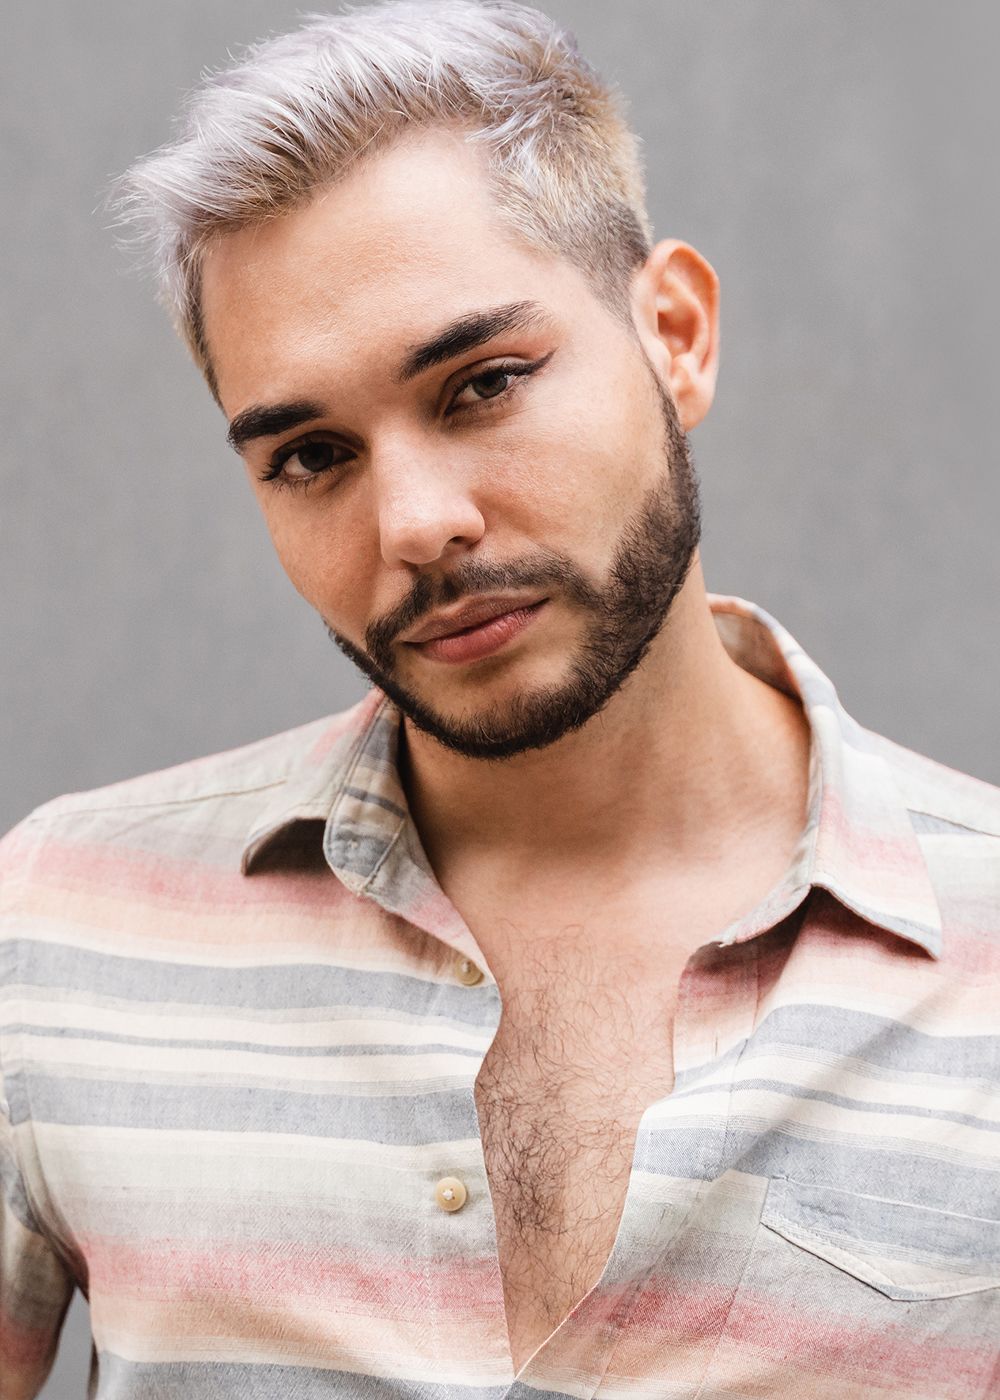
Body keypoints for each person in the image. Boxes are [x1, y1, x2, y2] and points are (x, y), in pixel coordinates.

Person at [2, 1, 998, 1395]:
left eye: (483, 385)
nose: (413, 523)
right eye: (308, 456)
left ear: (676, 335)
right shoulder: (52, 930)